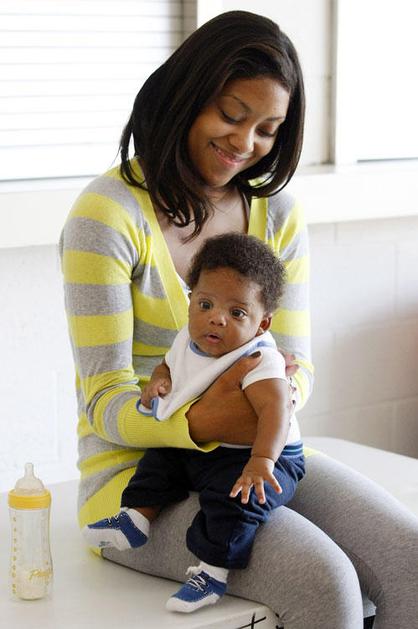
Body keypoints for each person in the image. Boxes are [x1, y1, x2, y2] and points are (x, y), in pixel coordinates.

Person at [60, 10, 418, 629]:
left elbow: (298, 369)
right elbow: (105, 402)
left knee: (408, 558)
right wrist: (206, 418)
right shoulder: (107, 216)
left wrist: (262, 412)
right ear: (186, 97)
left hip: (257, 453)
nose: (245, 142)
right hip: (140, 483)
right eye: (231, 114)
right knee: (325, 582)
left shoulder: (276, 213)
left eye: (267, 129)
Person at [82, 233, 305, 613]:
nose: (217, 317)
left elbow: (276, 411)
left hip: (264, 456)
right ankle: (136, 518)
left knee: (236, 499)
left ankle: (212, 572)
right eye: (205, 304)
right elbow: (170, 364)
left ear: (262, 324)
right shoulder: (190, 337)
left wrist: (261, 461)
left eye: (238, 313)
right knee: (160, 460)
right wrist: (159, 381)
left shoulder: (258, 360)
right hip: (206, 448)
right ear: (190, 302)